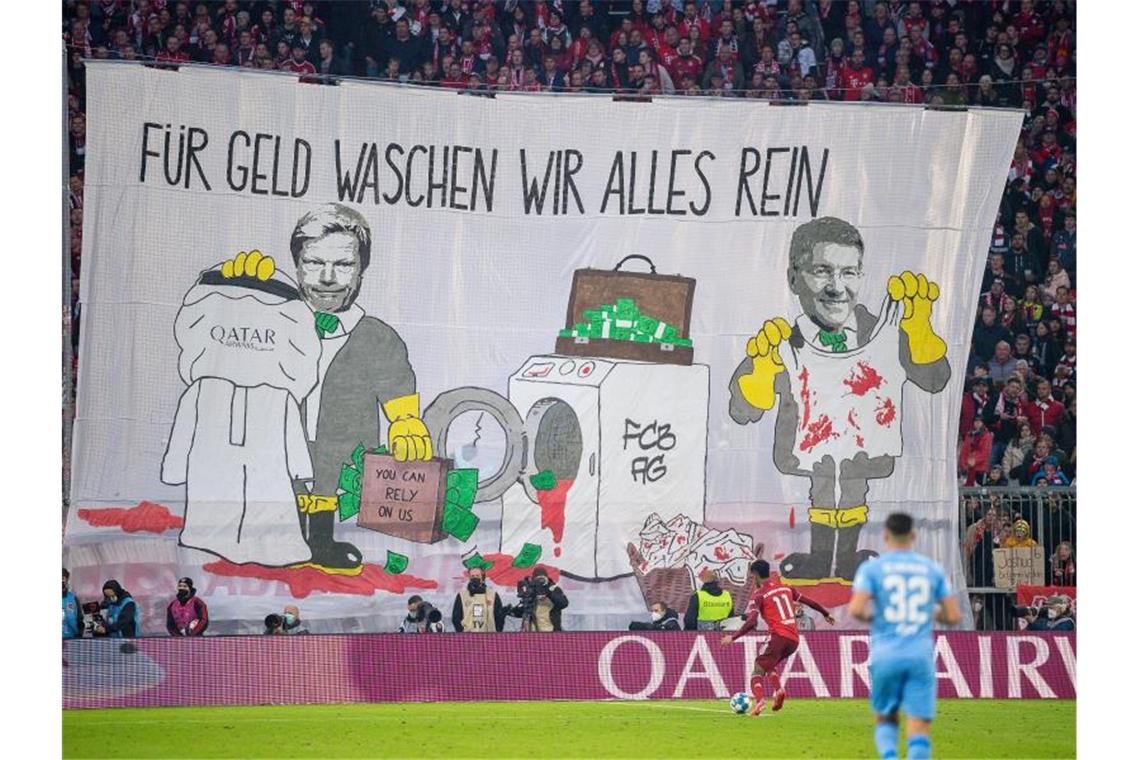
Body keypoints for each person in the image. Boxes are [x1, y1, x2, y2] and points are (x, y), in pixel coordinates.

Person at [729, 217, 951, 583]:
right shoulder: (783, 340)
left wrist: (920, 334)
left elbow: (935, 379)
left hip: (862, 449)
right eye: (821, 271)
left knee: (851, 486)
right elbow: (742, 410)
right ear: (794, 278)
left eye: (849, 272)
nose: (837, 287)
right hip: (809, 450)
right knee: (823, 485)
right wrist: (762, 373)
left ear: (862, 275)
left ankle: (846, 557)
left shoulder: (884, 330)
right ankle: (819, 557)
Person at [244, 204, 433, 573]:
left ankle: (321, 542)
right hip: (281, 448)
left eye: (343, 265)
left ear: (361, 268)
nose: (328, 277)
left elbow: (396, 383)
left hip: (342, 452)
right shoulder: (272, 324)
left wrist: (406, 420)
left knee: (327, 483)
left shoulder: (377, 337)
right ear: (297, 264)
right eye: (314, 262)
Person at [849, 512, 961, 760]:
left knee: (886, 717)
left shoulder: (872, 568)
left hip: (885, 654)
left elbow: (856, 609)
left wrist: (879, 619)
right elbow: (953, 616)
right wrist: (929, 613)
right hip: (919, 655)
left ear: (885, 535)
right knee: (919, 725)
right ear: (913, 534)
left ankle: (889, 757)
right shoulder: (931, 568)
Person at [720, 560, 835, 715]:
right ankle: (778, 690)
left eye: (751, 575)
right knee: (770, 665)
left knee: (757, 670)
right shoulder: (786, 588)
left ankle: (760, 702)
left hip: (778, 636)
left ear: (755, 574)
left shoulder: (759, 595)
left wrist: (733, 638)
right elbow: (809, 602)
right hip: (794, 639)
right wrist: (825, 613)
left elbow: (751, 622)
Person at [508, 566, 569, 632]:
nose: (540, 582)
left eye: (542, 579)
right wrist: (511, 611)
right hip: (533, 631)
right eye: (537, 580)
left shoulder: (554, 589)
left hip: (551, 630)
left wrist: (549, 593)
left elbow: (564, 603)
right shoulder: (532, 590)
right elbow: (525, 609)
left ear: (546, 578)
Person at [451, 566, 505, 633]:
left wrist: (497, 632)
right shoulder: (462, 595)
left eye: (477, 575)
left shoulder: (492, 595)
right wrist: (462, 633)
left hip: (489, 636)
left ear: (482, 577)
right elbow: (456, 618)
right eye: (472, 576)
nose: (475, 578)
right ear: (469, 578)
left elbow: (499, 617)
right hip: (468, 636)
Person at [63, 568, 83, 640]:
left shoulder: (73, 598)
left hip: (71, 638)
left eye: (63, 579)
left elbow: (79, 618)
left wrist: (79, 633)